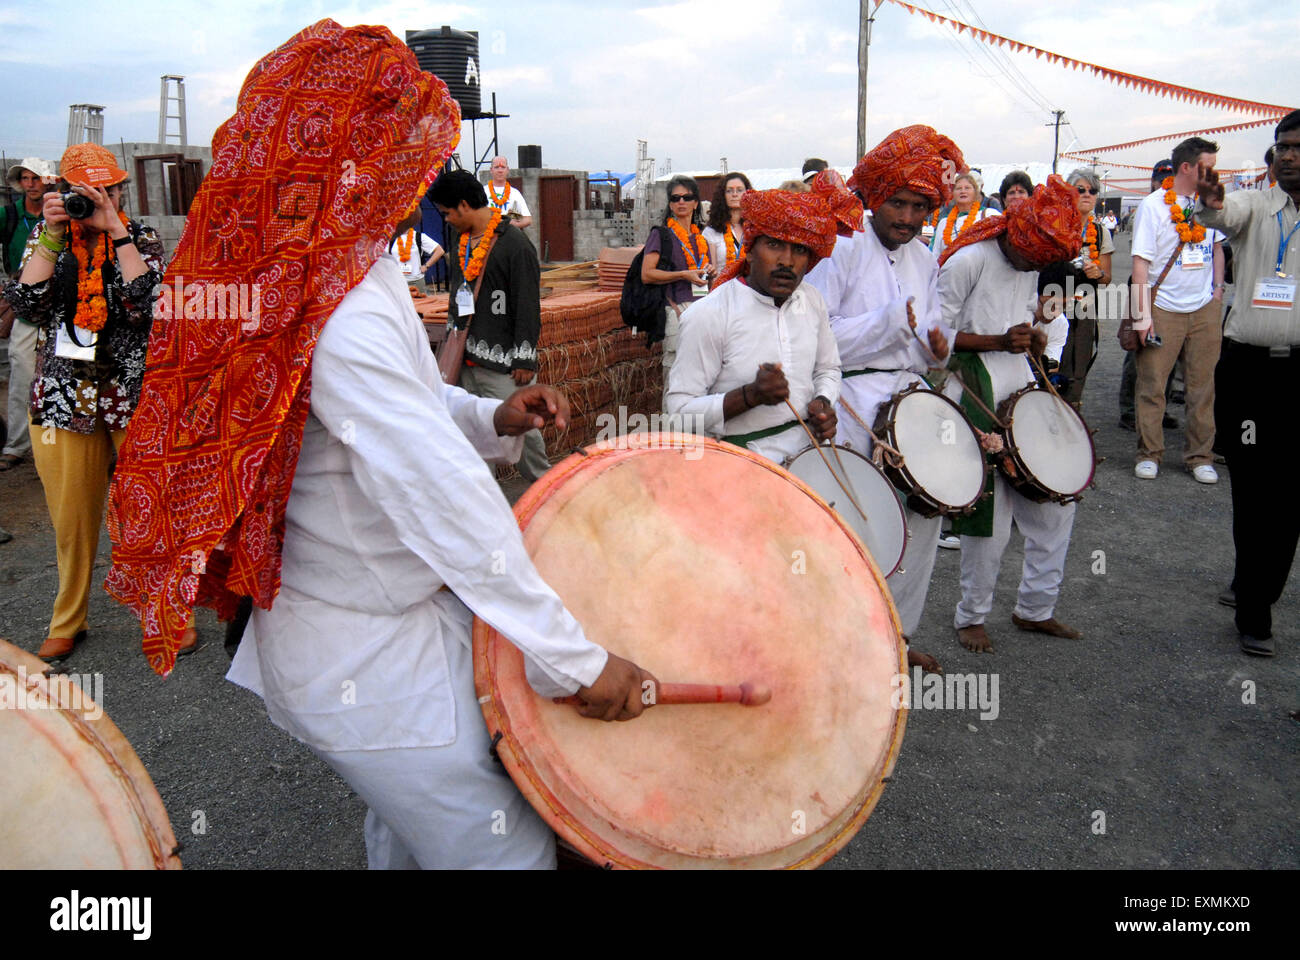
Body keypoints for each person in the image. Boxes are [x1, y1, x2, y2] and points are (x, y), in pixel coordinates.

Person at [105, 20, 654, 869]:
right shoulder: (338, 303)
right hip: (359, 641)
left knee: (406, 837)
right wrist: (575, 660)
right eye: (403, 146)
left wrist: (488, 419)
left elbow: (411, 408)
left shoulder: (340, 263)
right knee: (500, 849)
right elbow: (436, 488)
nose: (423, 177)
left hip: (393, 615)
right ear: (355, 149)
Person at [2, 144, 174, 662]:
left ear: (122, 190)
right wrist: (53, 235)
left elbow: (151, 303)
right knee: (72, 518)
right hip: (63, 393)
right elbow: (28, 303)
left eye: (111, 189)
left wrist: (116, 229)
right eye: (88, 192)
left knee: (148, 509)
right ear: (65, 193)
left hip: (129, 390)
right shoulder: (48, 233)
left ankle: (163, 613)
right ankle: (67, 619)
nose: (102, 199)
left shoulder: (139, 234)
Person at [805, 125, 962, 667]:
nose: (909, 217)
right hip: (851, 403)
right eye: (898, 202)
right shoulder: (842, 249)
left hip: (909, 399)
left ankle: (897, 639)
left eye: (920, 206)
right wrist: (893, 322)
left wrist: (936, 347)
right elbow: (819, 336)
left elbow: (930, 336)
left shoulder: (924, 258)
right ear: (875, 198)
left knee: (922, 522)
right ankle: (845, 645)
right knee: (863, 524)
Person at [936, 175, 1084, 652]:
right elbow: (932, 338)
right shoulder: (969, 259)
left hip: (1018, 378)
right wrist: (998, 341)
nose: (1035, 265)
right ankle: (970, 616)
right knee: (991, 517)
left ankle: (1035, 609)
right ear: (1017, 234)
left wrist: (1031, 338)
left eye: (1043, 262)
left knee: (1055, 504)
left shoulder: (1029, 257)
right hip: (972, 381)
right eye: (1032, 258)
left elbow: (1018, 320)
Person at [1196, 109, 1300, 656]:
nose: (1288, 155)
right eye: (1282, 145)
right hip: (1252, 370)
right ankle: (1255, 611)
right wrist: (1211, 203)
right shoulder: (1257, 206)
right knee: (1255, 486)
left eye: (1298, 147)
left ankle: (1258, 585)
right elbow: (1219, 214)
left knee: (1291, 496)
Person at [666, 172, 856, 465]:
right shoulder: (709, 314)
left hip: (810, 455)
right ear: (750, 250)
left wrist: (823, 401)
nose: (787, 261)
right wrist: (749, 396)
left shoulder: (812, 300)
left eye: (800, 250)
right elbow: (679, 413)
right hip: (741, 465)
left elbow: (828, 369)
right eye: (775, 245)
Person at [432, 170, 550, 485]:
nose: (446, 220)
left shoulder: (514, 244)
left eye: (446, 213)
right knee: (473, 434)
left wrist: (525, 357)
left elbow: (527, 303)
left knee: (523, 430)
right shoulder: (460, 240)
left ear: (463, 206)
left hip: (503, 363)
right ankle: (484, 496)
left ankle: (549, 488)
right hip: (465, 356)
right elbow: (459, 292)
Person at [1130, 136, 1225, 484]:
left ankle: (1200, 456)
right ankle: (1149, 453)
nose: (1215, 173)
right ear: (1187, 168)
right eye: (1208, 167)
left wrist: (1216, 291)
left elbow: (1217, 249)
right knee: (1153, 384)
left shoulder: (1212, 204)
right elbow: (1140, 264)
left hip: (1204, 309)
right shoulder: (1154, 205)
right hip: (1163, 307)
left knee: (1203, 387)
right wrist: (1142, 316)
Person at [2, 158, 55, 471]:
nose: (32, 183)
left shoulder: (66, 210)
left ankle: (57, 448)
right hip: (24, 304)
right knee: (22, 371)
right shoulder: (8, 216)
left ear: (48, 180)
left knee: (63, 375)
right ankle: (17, 446)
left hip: (62, 305)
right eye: (25, 178)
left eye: (37, 178)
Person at [641, 175, 710, 408]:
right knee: (674, 376)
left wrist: (709, 271)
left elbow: (702, 274)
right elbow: (647, 273)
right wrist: (682, 274)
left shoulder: (701, 239)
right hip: (675, 311)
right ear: (670, 204)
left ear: (695, 203)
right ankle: (670, 434)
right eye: (675, 198)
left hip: (701, 310)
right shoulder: (661, 235)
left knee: (700, 375)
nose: (681, 202)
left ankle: (694, 435)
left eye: (687, 197)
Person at [1119, 159, 1175, 429]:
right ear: (1153, 181)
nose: (1166, 181)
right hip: (1146, 285)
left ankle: (1159, 409)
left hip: (1175, 291)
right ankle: (1129, 410)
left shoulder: (1188, 206)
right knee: (1138, 346)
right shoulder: (1149, 207)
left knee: (1170, 349)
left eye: (1172, 176)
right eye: (1162, 177)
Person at [1051, 168, 1114, 405]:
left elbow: (1107, 278)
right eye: (1080, 189)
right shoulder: (1055, 227)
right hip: (1053, 306)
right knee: (1051, 364)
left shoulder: (1100, 231)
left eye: (1092, 190)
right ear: (1069, 193)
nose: (1087, 194)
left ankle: (1073, 421)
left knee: (1078, 369)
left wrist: (1098, 273)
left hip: (1084, 309)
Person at [930, 172, 994, 260]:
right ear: (952, 194)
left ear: (975, 192)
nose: (963, 191)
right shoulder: (943, 223)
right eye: (958, 188)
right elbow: (936, 254)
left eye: (967, 188)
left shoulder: (989, 215)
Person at [702, 172, 751, 284]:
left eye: (739, 190)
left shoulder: (754, 228)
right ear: (722, 195)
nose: (734, 194)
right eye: (729, 191)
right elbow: (710, 273)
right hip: (722, 291)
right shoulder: (711, 232)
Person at [386, 204, 443, 295]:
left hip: (417, 281)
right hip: (397, 281)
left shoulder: (419, 237)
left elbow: (439, 251)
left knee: (419, 306)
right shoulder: (391, 238)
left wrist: (426, 266)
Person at [485, 156, 531, 229]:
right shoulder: (482, 192)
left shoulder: (515, 193)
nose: (500, 170)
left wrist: (510, 224)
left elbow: (527, 219)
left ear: (507, 170)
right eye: (496, 167)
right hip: (487, 235)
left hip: (510, 236)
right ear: (491, 170)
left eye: (503, 167)